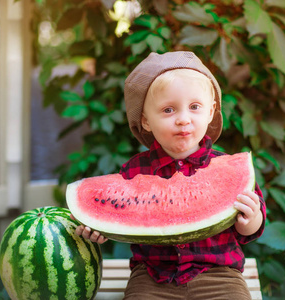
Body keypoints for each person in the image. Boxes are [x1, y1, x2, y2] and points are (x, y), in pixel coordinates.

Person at [74, 51, 266, 299]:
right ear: (145, 120)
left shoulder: (226, 167)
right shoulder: (133, 171)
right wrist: (97, 228)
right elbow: (115, 215)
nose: (183, 120)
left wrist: (250, 221)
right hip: (153, 277)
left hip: (219, 275)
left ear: (210, 112)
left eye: (195, 107)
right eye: (168, 110)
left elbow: (254, 225)